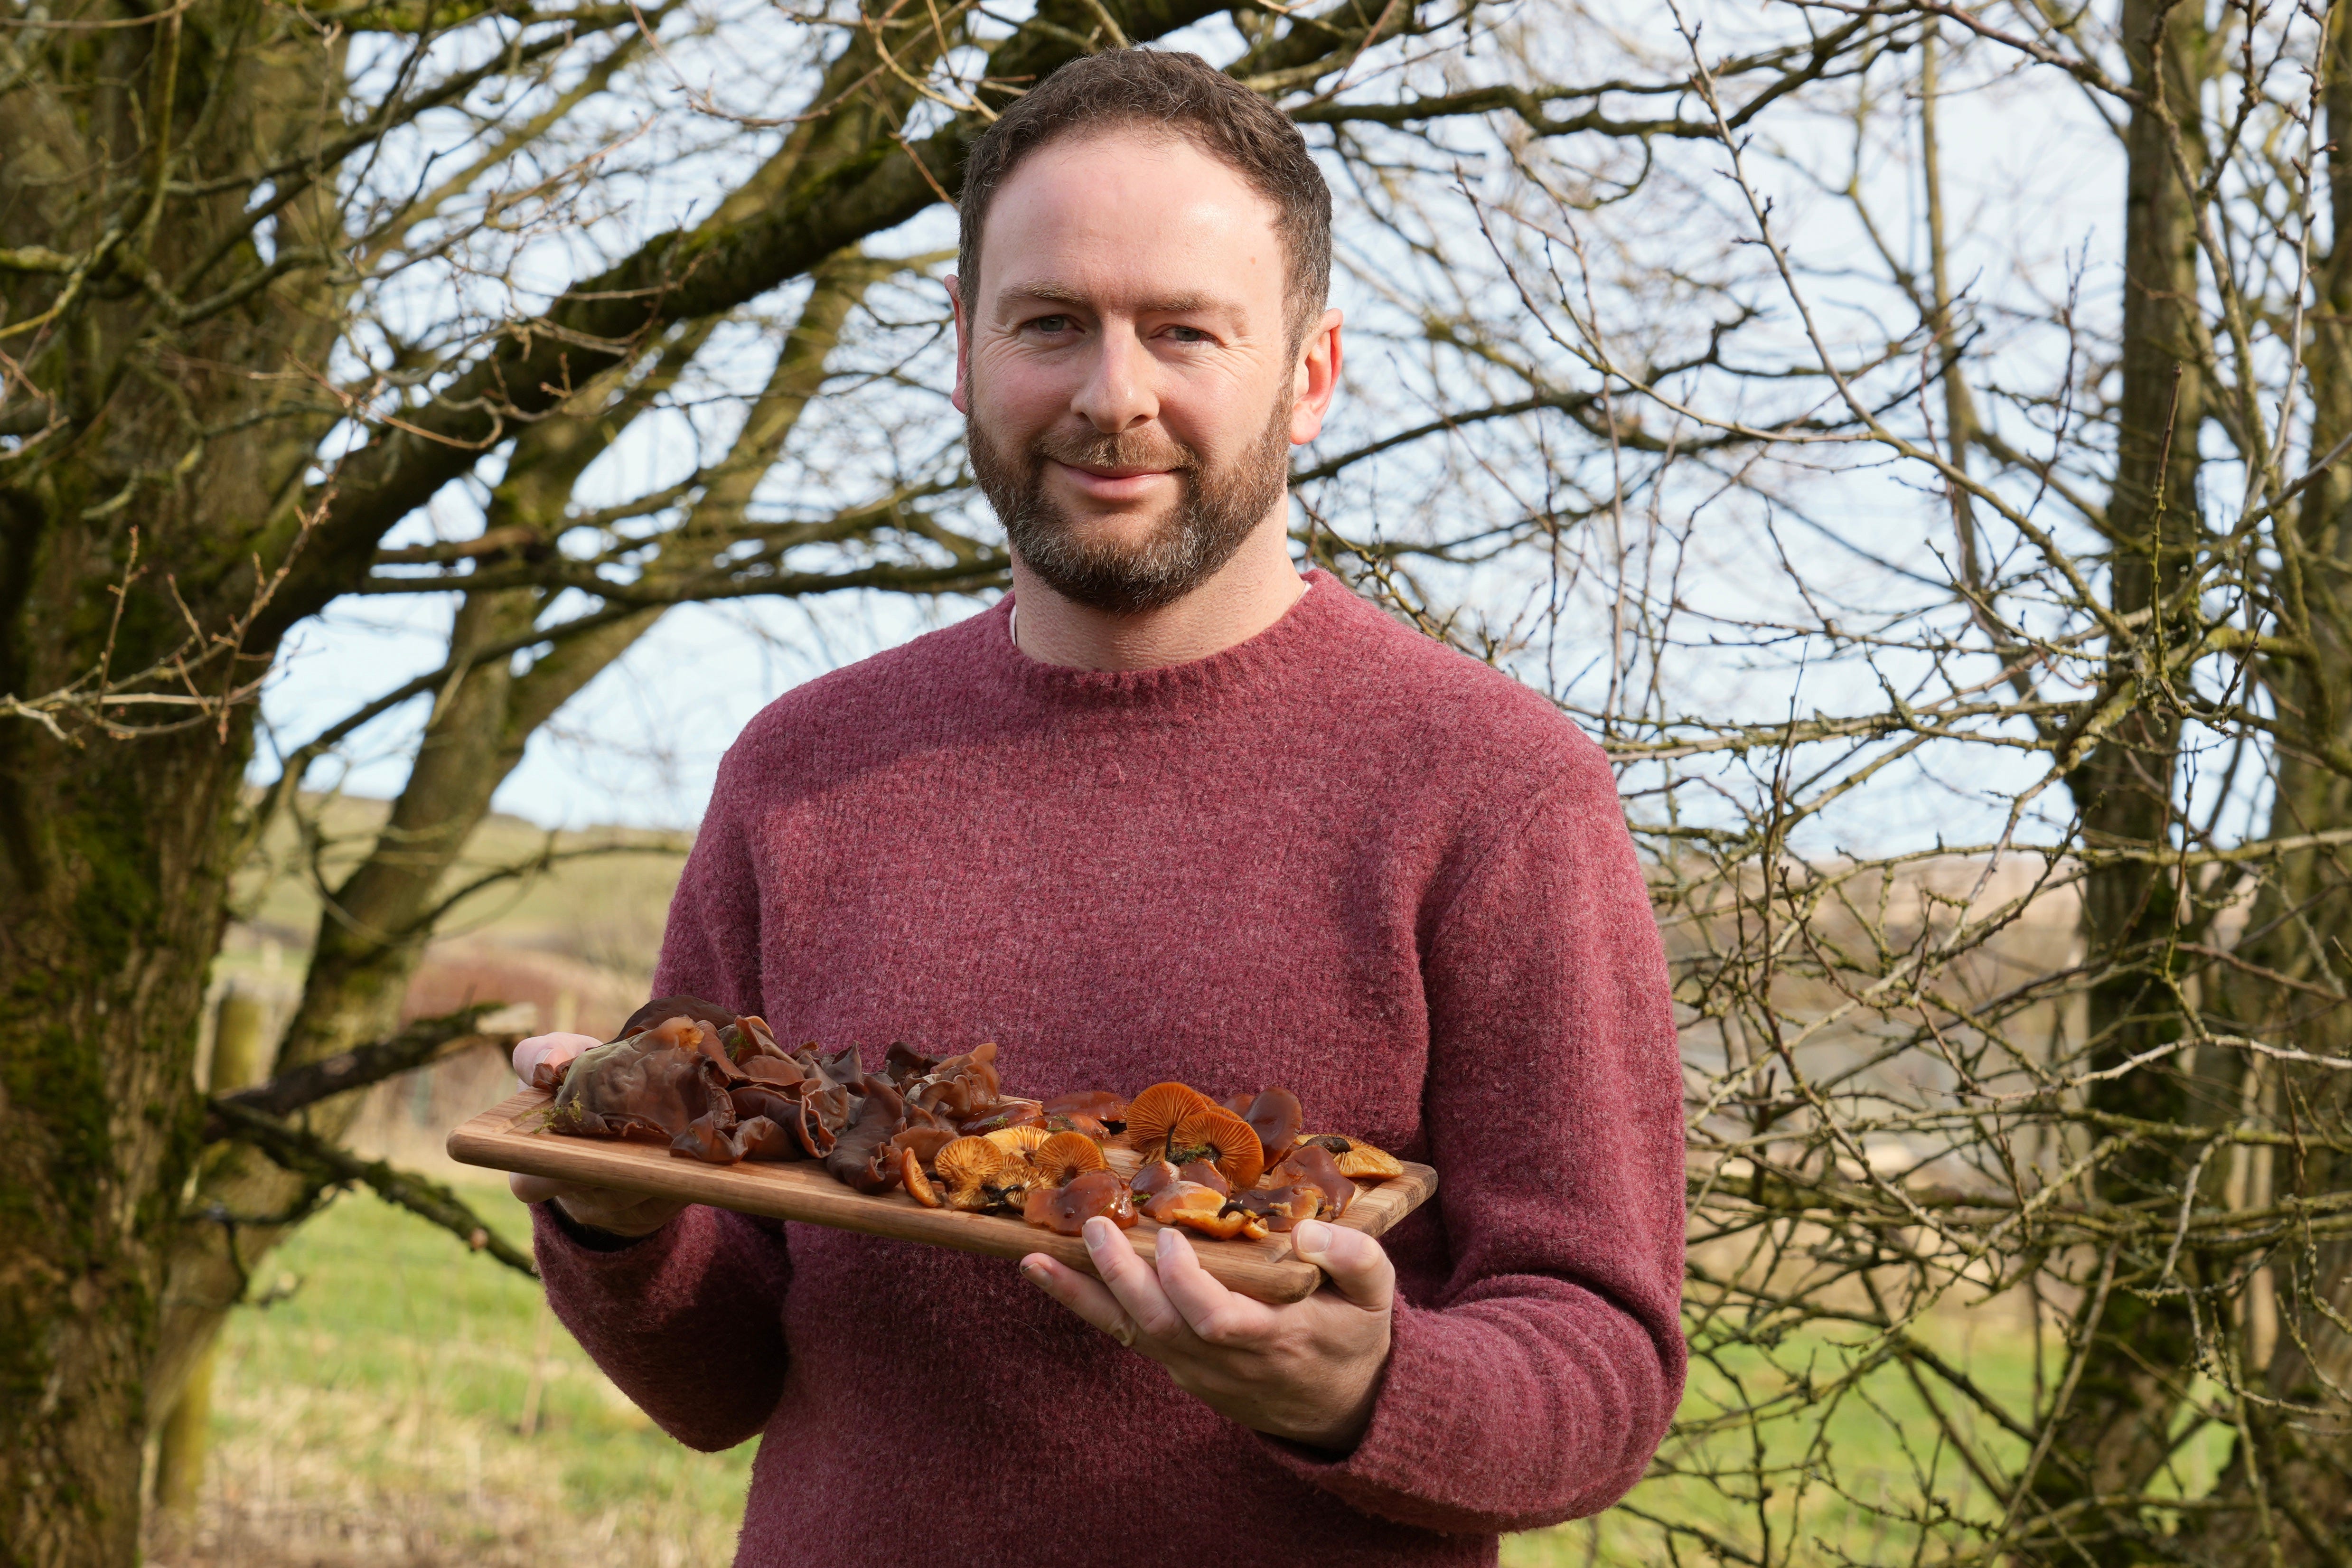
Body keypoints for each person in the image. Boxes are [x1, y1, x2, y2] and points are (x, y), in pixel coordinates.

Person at [507, 47, 1685, 1567]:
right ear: (964, 351)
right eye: (1050, 323)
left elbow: (1601, 1367)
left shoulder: (1494, 789)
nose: (1112, 395)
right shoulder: (802, 771)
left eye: (1182, 331)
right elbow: (719, 1380)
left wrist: (1365, 1391)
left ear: (1309, 374)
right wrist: (613, 1219)